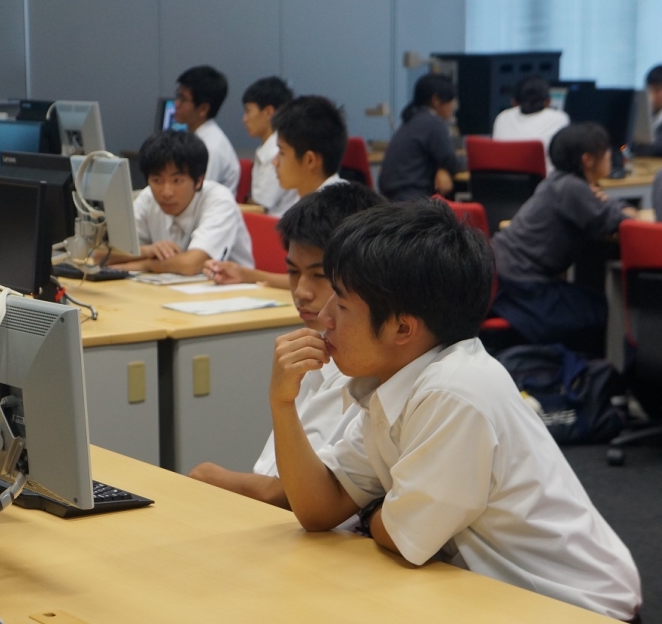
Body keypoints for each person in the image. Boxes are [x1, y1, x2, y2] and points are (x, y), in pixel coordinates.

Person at [269, 199, 641, 621]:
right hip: (496, 596)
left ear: (403, 328)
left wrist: (374, 510)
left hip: (577, 609)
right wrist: (283, 405)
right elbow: (321, 508)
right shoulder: (396, 380)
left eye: (341, 303)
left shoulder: (454, 392)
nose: (323, 316)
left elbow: (401, 539)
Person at [189, 184, 383, 508]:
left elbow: (295, 494)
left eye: (319, 275)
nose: (301, 292)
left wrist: (211, 476)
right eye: (292, 272)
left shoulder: (360, 367)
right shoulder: (314, 343)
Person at [491, 123, 637, 355]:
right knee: (603, 310)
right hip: (523, 288)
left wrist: (600, 200)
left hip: (504, 278)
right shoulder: (573, 189)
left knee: (590, 301)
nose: (611, 154)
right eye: (606, 150)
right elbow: (622, 220)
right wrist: (612, 204)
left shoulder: (557, 182)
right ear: (588, 159)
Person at [205, 95, 349, 288]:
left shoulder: (338, 211)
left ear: (309, 160)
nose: (275, 162)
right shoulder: (304, 201)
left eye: (281, 152)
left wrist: (247, 275)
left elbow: (325, 284)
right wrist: (243, 273)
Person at [104, 130, 252, 275]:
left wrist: (146, 263)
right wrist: (148, 251)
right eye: (157, 180)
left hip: (230, 293)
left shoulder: (219, 200)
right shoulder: (148, 197)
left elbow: (191, 264)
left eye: (177, 181)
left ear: (199, 180)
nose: (166, 192)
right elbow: (102, 256)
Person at [378, 73, 461, 201]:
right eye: (451, 101)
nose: (453, 106)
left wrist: (440, 167)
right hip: (413, 200)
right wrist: (461, 162)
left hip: (393, 199)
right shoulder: (434, 123)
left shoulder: (412, 120)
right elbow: (451, 162)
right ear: (436, 100)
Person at [173, 65, 241, 196]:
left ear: (203, 109)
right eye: (177, 96)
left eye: (183, 99)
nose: (176, 103)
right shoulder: (195, 138)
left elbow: (198, 195)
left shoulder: (211, 147)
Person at [241, 77, 298, 216]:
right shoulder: (269, 147)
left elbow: (259, 207)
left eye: (248, 111)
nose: (244, 119)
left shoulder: (277, 151)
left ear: (268, 112)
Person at [492, 75, 570, 173]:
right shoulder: (559, 118)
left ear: (514, 102)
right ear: (548, 102)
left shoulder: (502, 117)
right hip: (544, 185)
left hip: (503, 183)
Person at [632, 65, 662, 157]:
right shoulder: (642, 115)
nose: (651, 95)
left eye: (657, 90)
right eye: (649, 89)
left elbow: (656, 148)